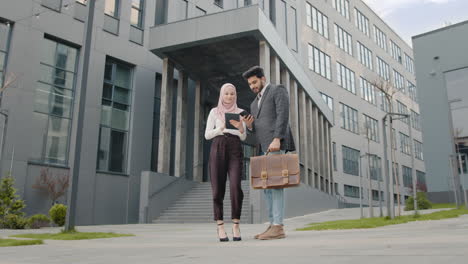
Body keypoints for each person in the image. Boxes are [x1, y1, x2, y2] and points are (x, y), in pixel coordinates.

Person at [242, 66, 295, 240]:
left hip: (276, 144)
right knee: (267, 188)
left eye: (254, 82)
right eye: (250, 84)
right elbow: (256, 129)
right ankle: (273, 225)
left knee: (276, 185)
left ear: (263, 78)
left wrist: (277, 138)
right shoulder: (253, 103)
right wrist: (249, 126)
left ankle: (278, 226)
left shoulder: (276, 90)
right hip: (263, 148)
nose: (252, 86)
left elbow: (283, 114)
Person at [204, 83, 247, 242]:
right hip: (218, 146)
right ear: (222, 95)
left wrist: (242, 129)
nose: (229, 96)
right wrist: (219, 129)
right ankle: (220, 225)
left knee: (236, 186)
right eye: (227, 94)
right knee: (217, 189)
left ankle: (236, 224)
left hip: (235, 148)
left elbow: (243, 137)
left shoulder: (240, 112)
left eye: (232, 94)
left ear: (235, 95)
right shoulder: (214, 112)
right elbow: (207, 135)